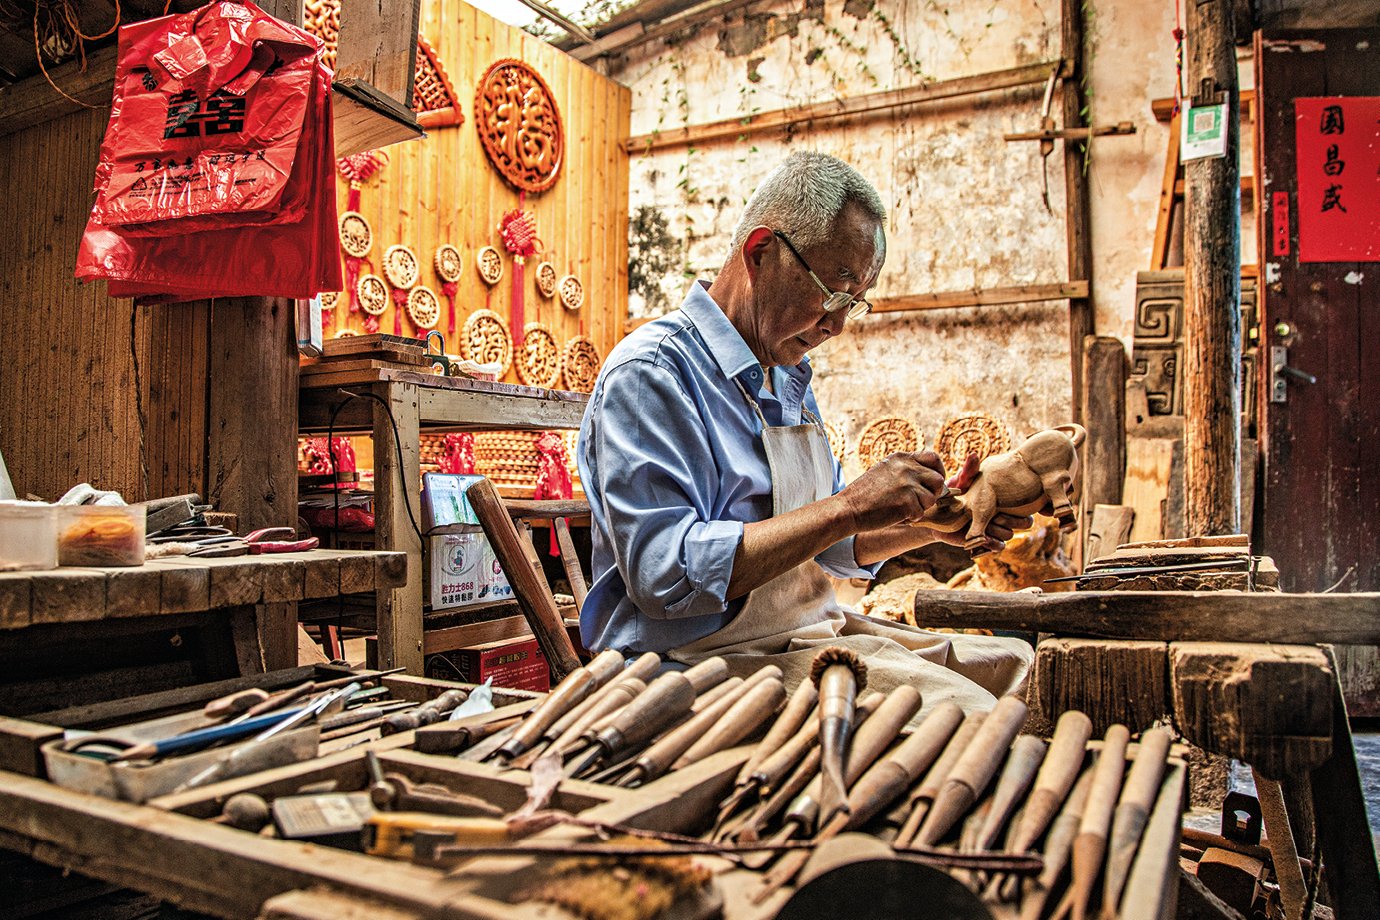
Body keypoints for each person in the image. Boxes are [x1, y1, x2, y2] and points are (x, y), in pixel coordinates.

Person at [576, 151, 1033, 712]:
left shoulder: (783, 375)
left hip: (797, 642)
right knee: (983, 716)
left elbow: (831, 545)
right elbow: (664, 575)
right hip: (693, 669)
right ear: (761, 252)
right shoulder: (652, 376)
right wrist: (847, 506)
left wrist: (926, 526)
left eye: (854, 304)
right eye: (833, 294)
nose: (838, 325)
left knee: (1024, 668)